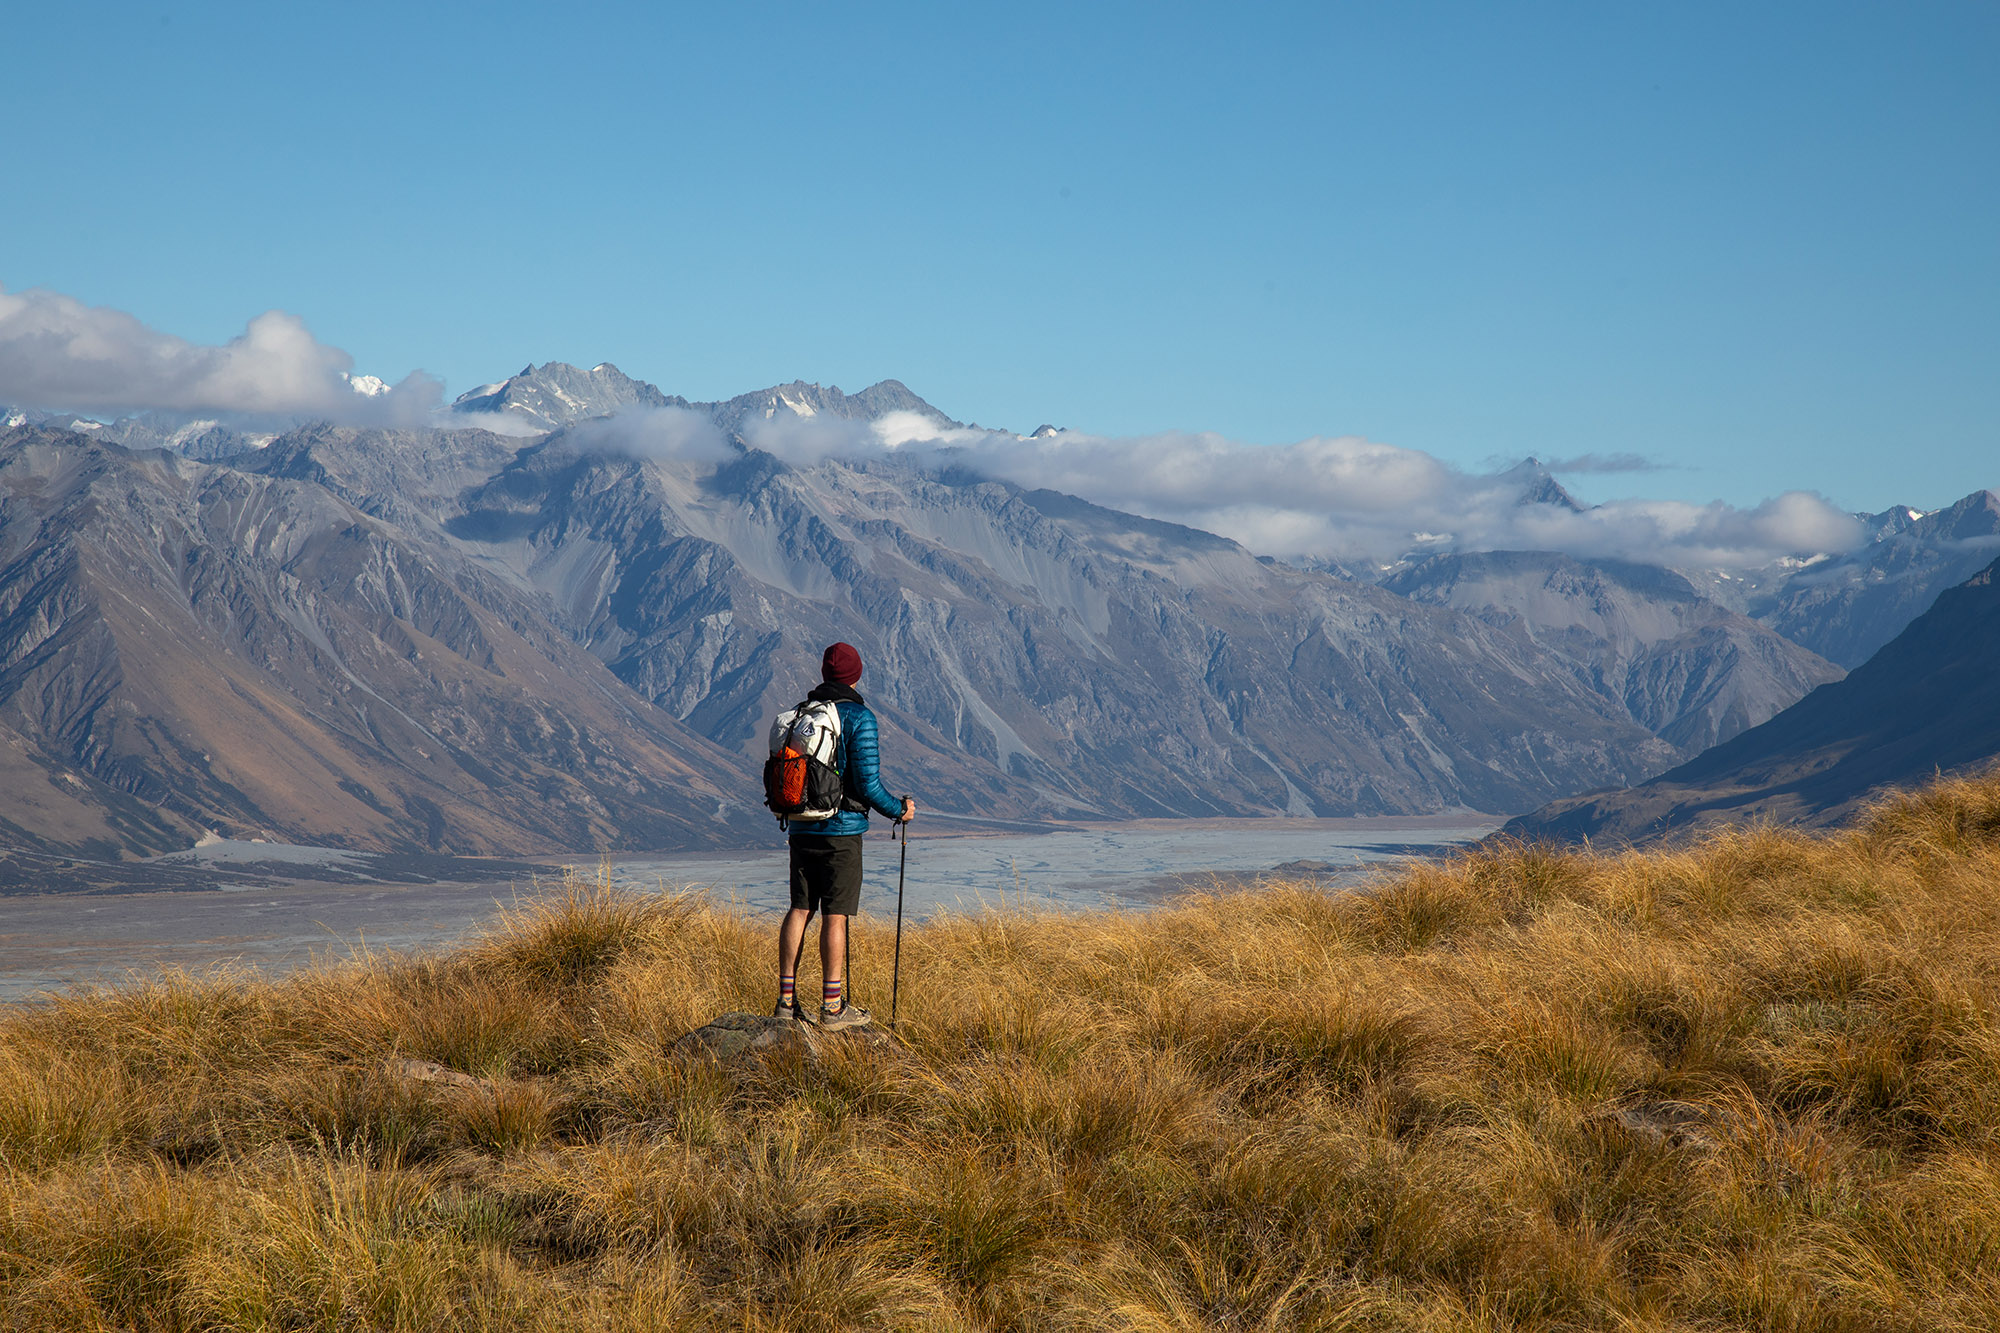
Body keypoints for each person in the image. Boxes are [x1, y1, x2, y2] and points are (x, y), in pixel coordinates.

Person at [775, 641, 916, 1029]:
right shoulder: (859, 717)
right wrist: (899, 811)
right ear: (856, 675)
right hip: (841, 833)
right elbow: (868, 785)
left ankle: (785, 1003)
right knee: (835, 917)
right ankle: (832, 1008)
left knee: (800, 908)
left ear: (824, 673)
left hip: (802, 828)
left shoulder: (803, 715)